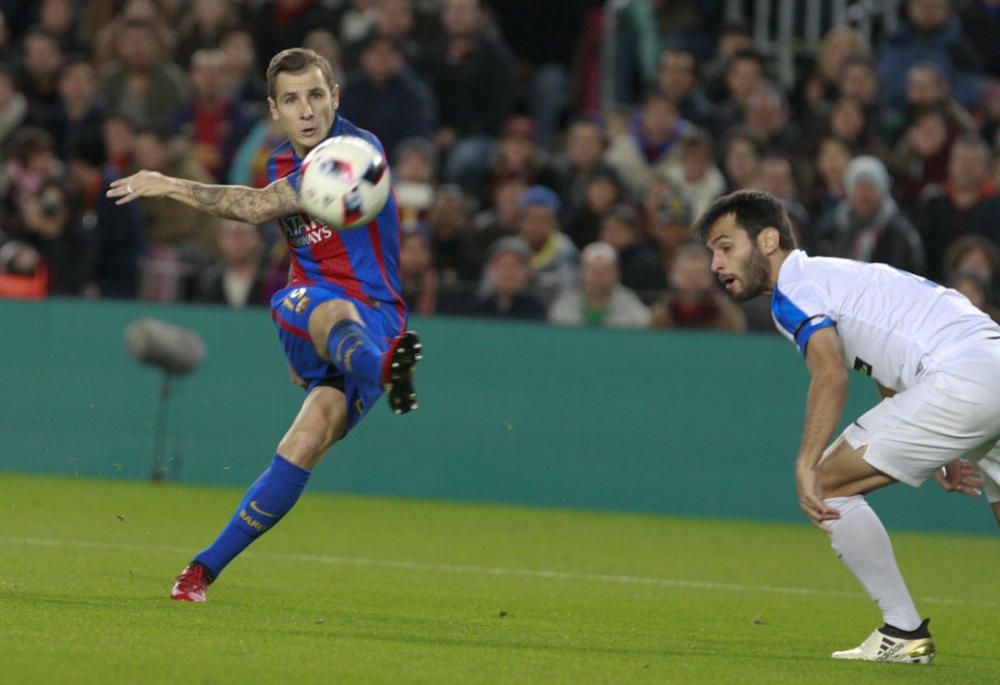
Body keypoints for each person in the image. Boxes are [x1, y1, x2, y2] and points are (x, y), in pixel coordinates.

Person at [107, 47, 422, 603]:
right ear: (275, 110)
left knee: (304, 442)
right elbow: (261, 204)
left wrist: (169, 182)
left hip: (379, 316)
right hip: (310, 302)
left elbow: (256, 209)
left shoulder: (356, 150)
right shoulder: (279, 162)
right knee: (331, 311)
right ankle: (387, 373)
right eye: (293, 100)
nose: (308, 111)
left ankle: (199, 573)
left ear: (335, 97)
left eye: (317, 95)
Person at [693, 189, 999, 663]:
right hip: (984, 360)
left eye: (726, 245)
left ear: (769, 239)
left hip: (961, 375)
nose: (716, 263)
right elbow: (884, 363)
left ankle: (902, 631)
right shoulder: (835, 276)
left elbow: (831, 373)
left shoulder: (795, 289)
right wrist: (943, 447)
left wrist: (805, 461)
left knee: (826, 484)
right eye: (712, 251)